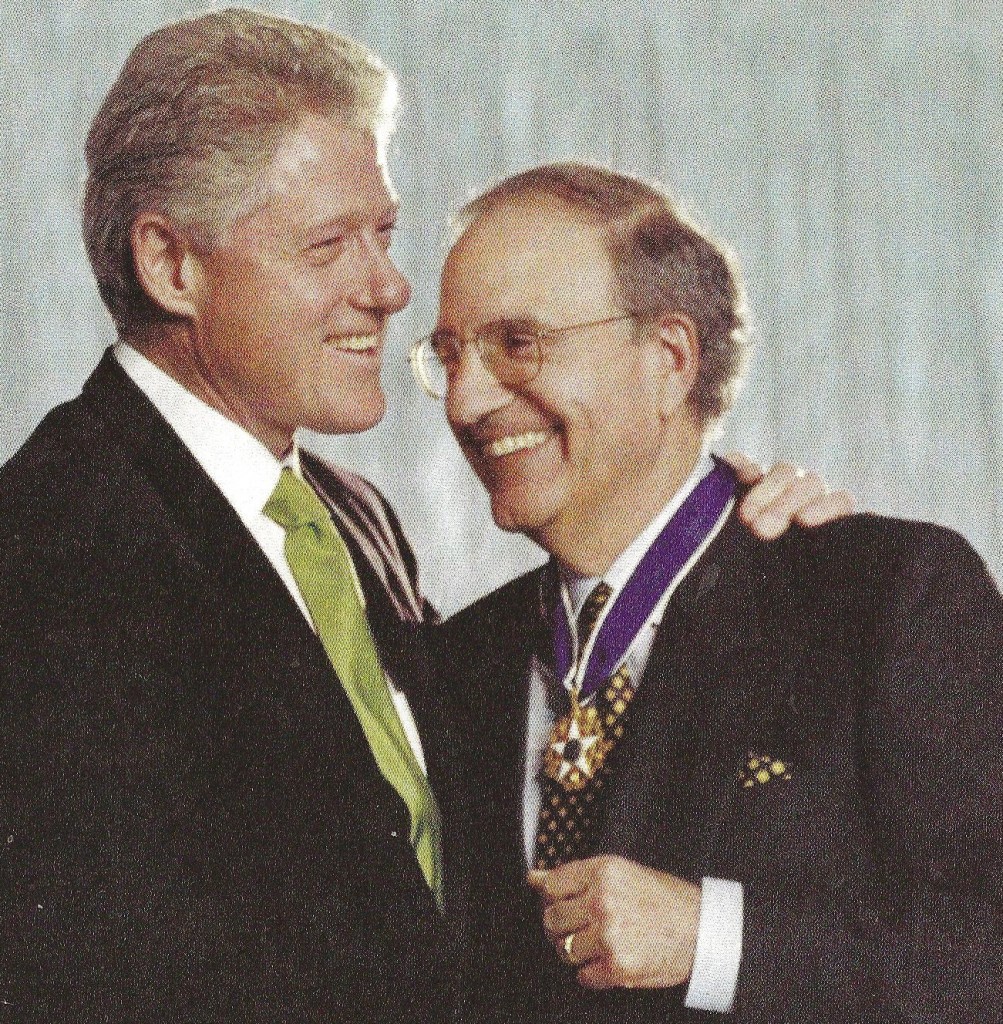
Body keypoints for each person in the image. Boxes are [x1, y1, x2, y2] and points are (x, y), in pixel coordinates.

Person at [0, 9, 845, 1022]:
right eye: (328, 246)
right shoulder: (49, 549)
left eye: (385, 234)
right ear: (170, 265)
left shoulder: (349, 520)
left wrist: (725, 541)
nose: (390, 288)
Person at [421, 163, 1003, 1023]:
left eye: (518, 343)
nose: (466, 400)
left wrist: (715, 941)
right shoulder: (455, 664)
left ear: (668, 359)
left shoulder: (883, 594)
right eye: (447, 356)